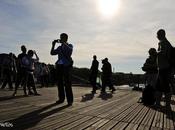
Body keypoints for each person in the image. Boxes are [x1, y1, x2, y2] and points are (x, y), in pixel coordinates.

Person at [50, 33, 73, 106]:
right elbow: (52, 53)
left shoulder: (70, 45)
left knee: (67, 83)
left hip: (66, 66)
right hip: (59, 66)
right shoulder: (59, 47)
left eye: (62, 38)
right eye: (60, 38)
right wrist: (53, 45)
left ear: (66, 39)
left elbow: (70, 51)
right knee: (59, 83)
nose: (60, 39)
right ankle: (61, 98)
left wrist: (64, 43)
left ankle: (70, 100)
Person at [155, 29, 172, 108]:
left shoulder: (164, 43)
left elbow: (163, 53)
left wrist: (156, 53)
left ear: (161, 35)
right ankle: (158, 103)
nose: (156, 36)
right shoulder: (165, 43)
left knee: (165, 86)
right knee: (159, 86)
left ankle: (167, 105)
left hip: (164, 68)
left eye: (157, 35)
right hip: (162, 68)